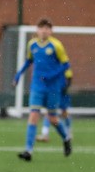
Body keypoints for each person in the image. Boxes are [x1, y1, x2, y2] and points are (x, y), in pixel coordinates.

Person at [12, 18, 72, 161]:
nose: (44, 30)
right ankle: (28, 151)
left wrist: (51, 76)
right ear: (37, 30)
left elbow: (65, 65)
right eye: (41, 28)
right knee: (33, 115)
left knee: (52, 118)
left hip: (53, 87)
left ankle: (66, 138)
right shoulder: (32, 45)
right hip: (37, 85)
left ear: (51, 31)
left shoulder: (56, 45)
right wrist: (19, 74)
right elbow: (29, 60)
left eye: (47, 28)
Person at [37, 71, 73, 142]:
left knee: (64, 112)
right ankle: (45, 134)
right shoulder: (51, 66)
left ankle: (68, 132)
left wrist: (66, 88)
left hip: (62, 92)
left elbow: (69, 77)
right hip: (53, 91)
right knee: (49, 112)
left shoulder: (63, 65)